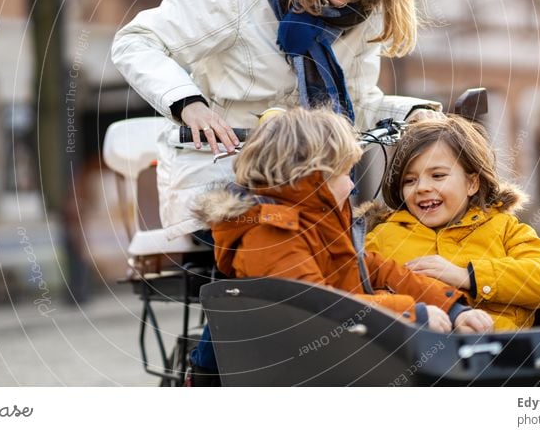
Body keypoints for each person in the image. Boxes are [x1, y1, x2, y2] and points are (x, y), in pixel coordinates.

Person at [111, 0, 441, 241]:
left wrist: (412, 114)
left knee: (382, 247)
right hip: (224, 182)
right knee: (293, 245)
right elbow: (136, 41)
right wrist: (189, 105)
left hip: (313, 188)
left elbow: (355, 106)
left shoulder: (362, 16)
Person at [196, 107, 495, 337]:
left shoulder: (317, 225)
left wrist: (451, 307)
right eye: (343, 174)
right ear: (312, 176)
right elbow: (314, 308)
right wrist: (410, 313)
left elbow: (378, 269)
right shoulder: (271, 234)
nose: (351, 186)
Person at [365, 116, 540, 331]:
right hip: (417, 355)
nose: (422, 187)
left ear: (471, 183)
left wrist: (467, 276)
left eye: (438, 175)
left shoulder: (504, 228)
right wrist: (413, 312)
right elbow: (354, 293)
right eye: (409, 180)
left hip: (500, 352)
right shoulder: (382, 237)